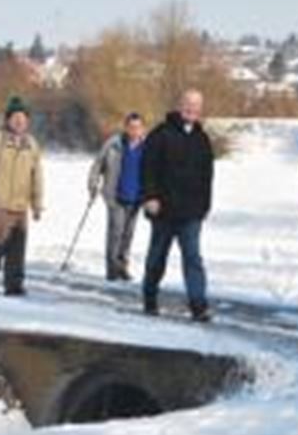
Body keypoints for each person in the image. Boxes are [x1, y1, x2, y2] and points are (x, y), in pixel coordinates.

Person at [140, 90, 215, 322]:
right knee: (157, 258)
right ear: (179, 105)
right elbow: (147, 168)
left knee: (193, 258)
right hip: (163, 209)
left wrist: (204, 206)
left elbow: (207, 176)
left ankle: (198, 305)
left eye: (196, 105)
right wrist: (150, 197)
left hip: (191, 212)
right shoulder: (160, 134)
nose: (191, 109)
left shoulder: (202, 139)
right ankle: (150, 297)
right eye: (188, 104)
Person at [0, 96, 44, 296]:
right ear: (7, 119)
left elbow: (37, 175)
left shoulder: (32, 145)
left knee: (18, 247)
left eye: (23, 118)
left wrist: (37, 203)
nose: (19, 122)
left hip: (21, 204)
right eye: (15, 117)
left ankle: (14, 285)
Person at [88, 112, 148, 281]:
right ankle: (112, 269)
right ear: (126, 127)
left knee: (128, 235)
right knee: (116, 233)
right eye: (131, 127)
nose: (134, 130)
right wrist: (93, 184)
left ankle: (123, 266)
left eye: (138, 127)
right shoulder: (114, 144)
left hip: (136, 198)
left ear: (143, 129)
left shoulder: (148, 147)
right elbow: (97, 164)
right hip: (115, 196)